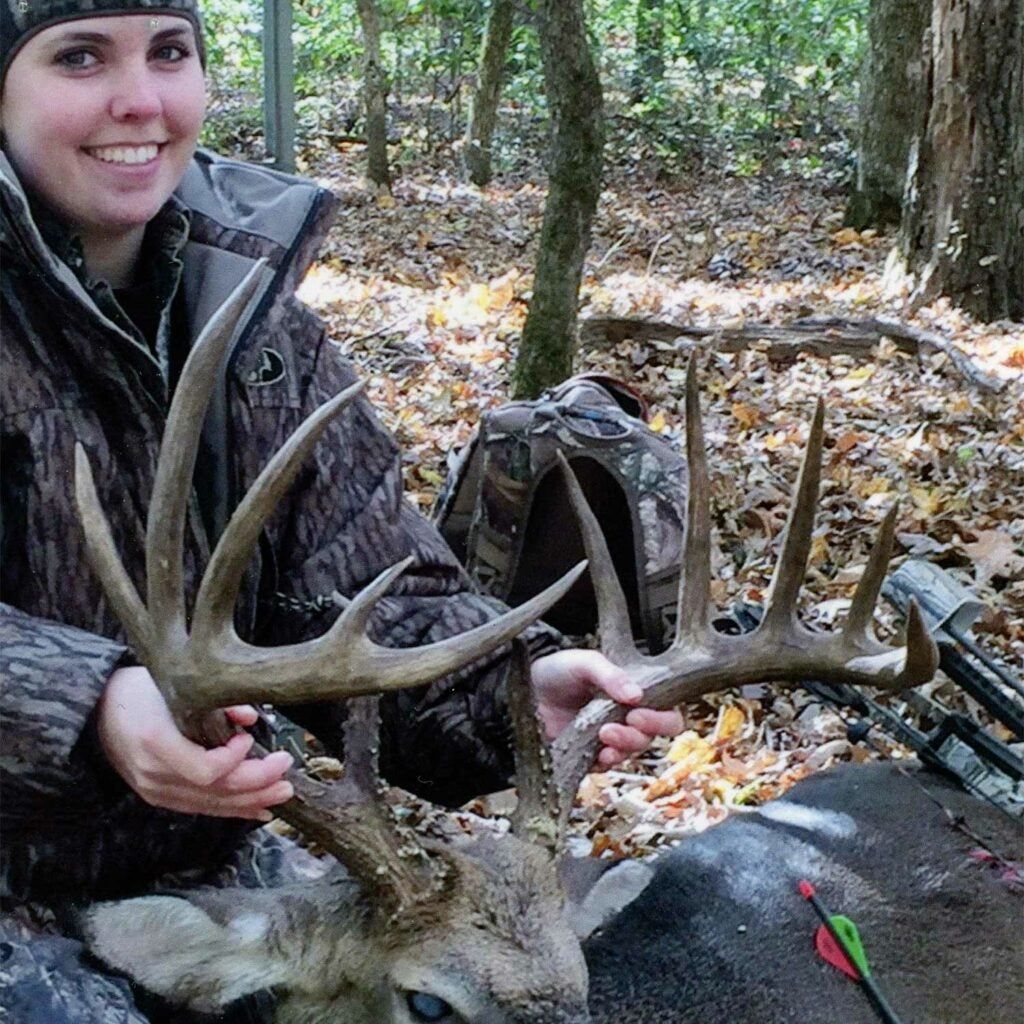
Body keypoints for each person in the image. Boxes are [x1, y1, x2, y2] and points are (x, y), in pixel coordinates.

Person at [0, 1, 682, 1018]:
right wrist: (90, 703)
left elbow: (360, 588)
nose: (139, 99)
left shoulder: (256, 321)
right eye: (80, 56)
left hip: (202, 866)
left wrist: (507, 692)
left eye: (170, 52)